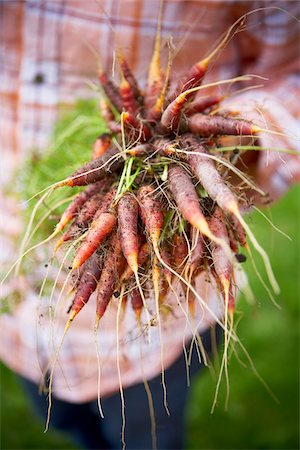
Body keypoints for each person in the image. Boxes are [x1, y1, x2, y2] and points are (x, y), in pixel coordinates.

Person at [1, 1, 299, 449]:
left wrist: (238, 145)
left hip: (162, 329)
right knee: (61, 419)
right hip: (16, 286)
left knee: (146, 432)